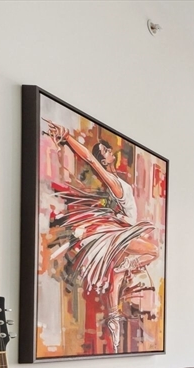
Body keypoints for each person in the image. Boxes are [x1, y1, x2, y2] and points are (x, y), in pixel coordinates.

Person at [44, 121, 159, 353]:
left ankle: (115, 347)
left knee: (113, 294)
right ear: (105, 160)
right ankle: (127, 264)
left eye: (107, 149)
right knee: (153, 251)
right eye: (105, 151)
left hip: (118, 238)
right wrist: (67, 137)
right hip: (122, 237)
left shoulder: (115, 186)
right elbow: (89, 158)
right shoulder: (114, 183)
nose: (108, 152)